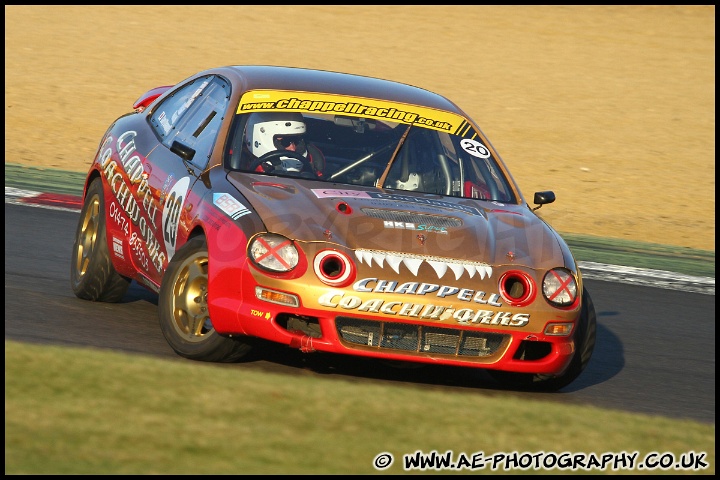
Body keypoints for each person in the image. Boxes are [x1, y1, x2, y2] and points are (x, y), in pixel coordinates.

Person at [243, 112, 325, 177]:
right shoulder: (239, 166)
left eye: (297, 141)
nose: (293, 148)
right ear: (261, 139)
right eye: (285, 142)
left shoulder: (312, 163)